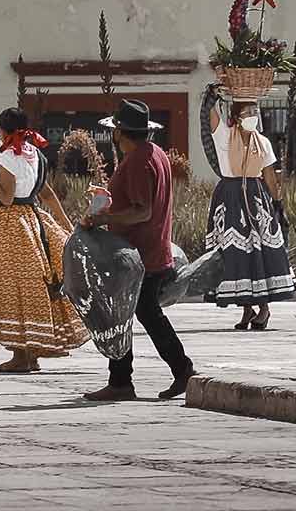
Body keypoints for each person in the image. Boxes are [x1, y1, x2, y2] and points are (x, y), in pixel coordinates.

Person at [83, 100, 194, 401]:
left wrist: (103, 218)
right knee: (139, 313)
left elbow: (141, 211)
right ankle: (150, 375)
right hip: (149, 251)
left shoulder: (137, 162)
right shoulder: (154, 154)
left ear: (120, 131)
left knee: (128, 314)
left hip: (139, 255)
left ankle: (141, 378)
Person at [0, 108, 87, 372]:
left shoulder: (6, 159)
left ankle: (20, 356)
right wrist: (67, 228)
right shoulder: (37, 155)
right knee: (35, 286)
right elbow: (48, 194)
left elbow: (6, 198)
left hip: (11, 225)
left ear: (3, 131)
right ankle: (30, 353)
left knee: (13, 286)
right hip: (34, 219)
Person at [206, 96, 296, 331]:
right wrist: (212, 97)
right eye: (247, 113)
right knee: (234, 254)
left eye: (255, 112)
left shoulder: (263, 142)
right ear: (236, 119)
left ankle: (264, 308)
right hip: (229, 196)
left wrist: (278, 204)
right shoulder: (224, 136)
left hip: (255, 198)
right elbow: (212, 116)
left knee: (260, 251)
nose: (252, 117)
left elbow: (269, 175)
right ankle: (247, 309)